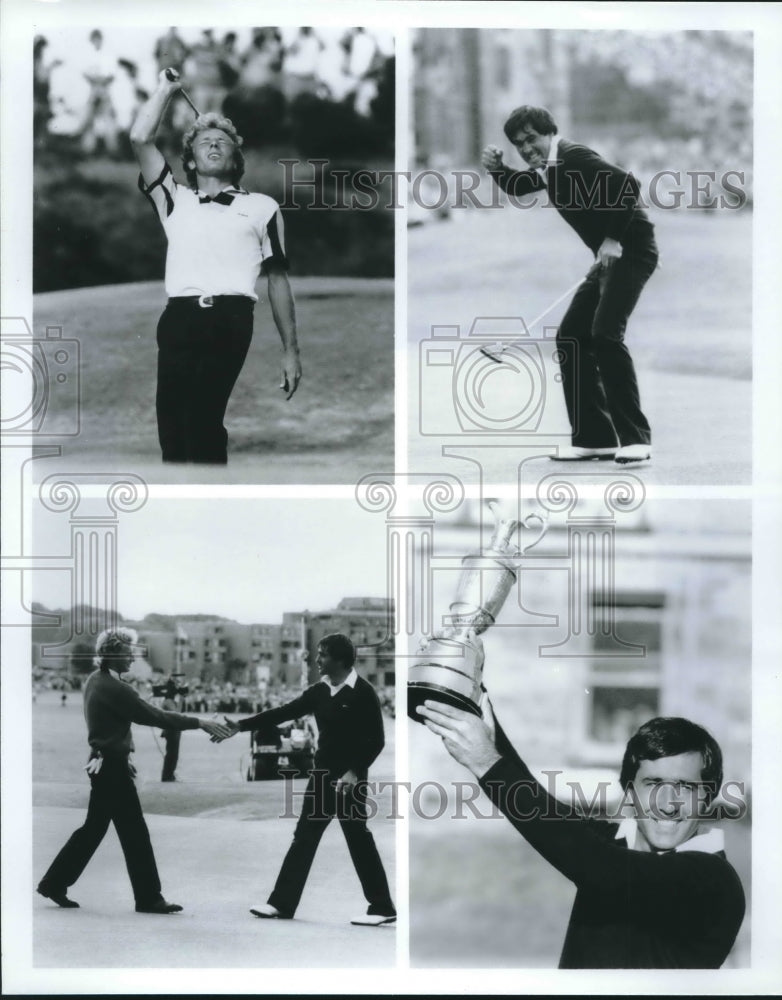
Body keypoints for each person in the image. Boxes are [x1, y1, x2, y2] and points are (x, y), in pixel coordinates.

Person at [417, 701, 745, 968]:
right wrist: (481, 703)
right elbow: (543, 809)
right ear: (629, 791)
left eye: (686, 787)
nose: (668, 805)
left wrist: (487, 762)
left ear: (707, 796)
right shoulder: (612, 844)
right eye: (654, 784)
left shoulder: (712, 878)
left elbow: (597, 864)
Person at [130, 68, 301, 465]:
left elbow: (278, 280)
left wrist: (291, 351)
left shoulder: (262, 207)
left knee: (203, 421)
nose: (212, 145)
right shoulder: (174, 198)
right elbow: (141, 137)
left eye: (221, 142)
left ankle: (212, 507)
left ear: (235, 159)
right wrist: (166, 89)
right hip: (178, 319)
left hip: (230, 318)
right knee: (172, 431)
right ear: (189, 159)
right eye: (204, 141)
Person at [481, 106, 658, 466]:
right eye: (519, 145)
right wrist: (498, 170)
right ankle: (595, 438)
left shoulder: (572, 157)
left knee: (605, 334)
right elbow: (521, 188)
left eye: (531, 139)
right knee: (572, 337)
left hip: (631, 251)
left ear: (549, 132)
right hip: (608, 258)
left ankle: (636, 439)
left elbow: (628, 184)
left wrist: (611, 238)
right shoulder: (550, 167)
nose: (527, 149)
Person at [36, 629, 230, 913]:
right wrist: (199, 722)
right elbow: (154, 716)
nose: (133, 657)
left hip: (104, 762)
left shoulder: (95, 680)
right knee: (134, 832)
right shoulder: (116, 687)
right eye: (128, 653)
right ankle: (148, 897)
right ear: (113, 654)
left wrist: (118, 751)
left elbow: (108, 725)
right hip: (111, 767)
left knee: (94, 829)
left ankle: (54, 883)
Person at [219, 634, 396, 926]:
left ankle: (382, 907)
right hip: (322, 777)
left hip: (350, 781)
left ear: (340, 659)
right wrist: (240, 725)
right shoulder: (318, 692)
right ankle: (282, 905)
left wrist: (355, 771)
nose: (317, 659)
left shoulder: (363, 692)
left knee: (358, 839)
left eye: (323, 654)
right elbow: (283, 712)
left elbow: (376, 739)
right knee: (304, 837)